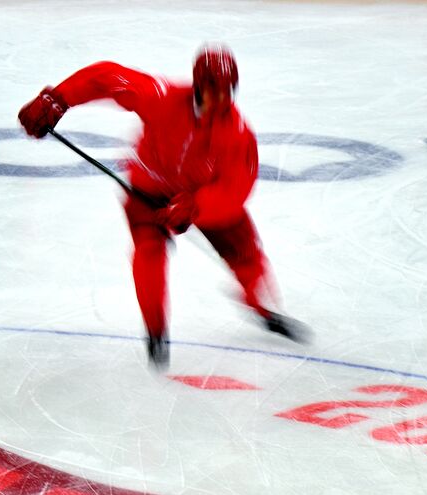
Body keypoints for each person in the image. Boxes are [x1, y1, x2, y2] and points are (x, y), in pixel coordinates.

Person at [18, 45, 308, 369]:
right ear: (199, 87)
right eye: (216, 91)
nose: (224, 100)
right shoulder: (162, 98)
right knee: (149, 251)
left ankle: (262, 308)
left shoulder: (238, 134)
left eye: (230, 91)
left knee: (245, 253)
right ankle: (156, 329)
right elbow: (106, 77)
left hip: (202, 197)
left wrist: (197, 206)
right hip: (149, 187)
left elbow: (235, 188)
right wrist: (58, 98)